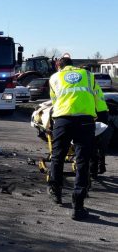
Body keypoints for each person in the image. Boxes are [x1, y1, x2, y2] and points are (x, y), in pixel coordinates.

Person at [47, 55, 98, 221]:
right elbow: (97, 97)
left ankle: (56, 192)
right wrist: (101, 116)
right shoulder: (89, 75)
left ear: (59, 66)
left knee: (57, 156)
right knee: (82, 160)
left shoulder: (55, 77)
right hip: (85, 121)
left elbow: (54, 102)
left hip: (63, 120)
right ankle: (78, 206)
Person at [89, 83, 110, 178]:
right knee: (99, 143)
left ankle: (93, 170)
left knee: (92, 143)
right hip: (103, 113)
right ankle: (100, 167)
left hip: (94, 113)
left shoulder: (85, 84)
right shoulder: (95, 84)